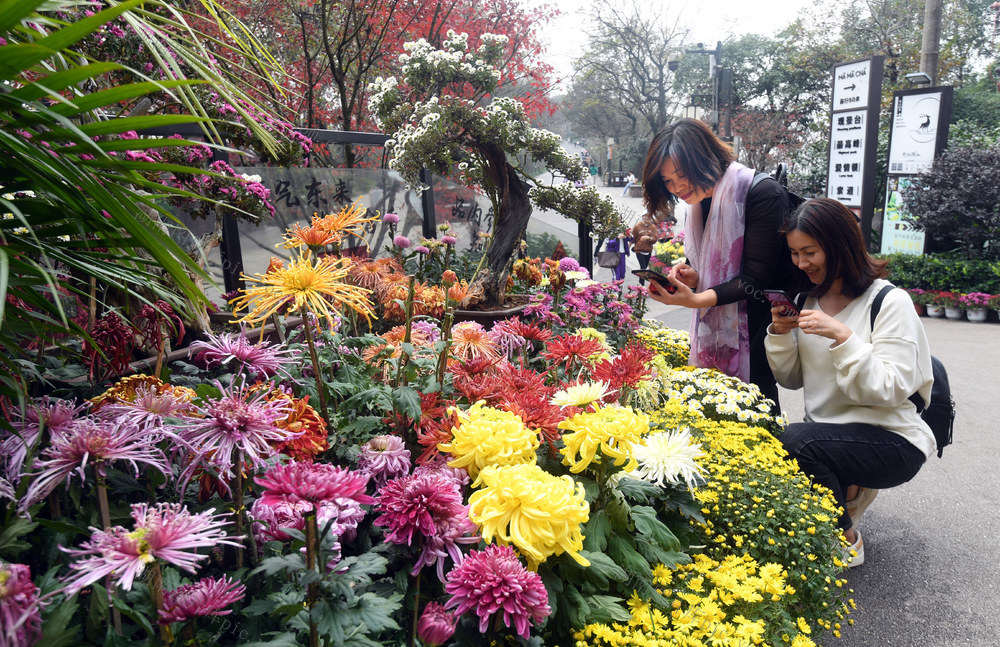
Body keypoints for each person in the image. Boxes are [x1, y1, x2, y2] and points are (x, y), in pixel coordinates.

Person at [765, 198, 935, 567]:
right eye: (794, 253)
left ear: (840, 244)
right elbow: (793, 379)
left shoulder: (889, 302)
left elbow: (890, 388)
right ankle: (847, 487)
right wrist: (780, 335)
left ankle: (846, 539)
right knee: (786, 441)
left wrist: (844, 338)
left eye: (809, 251)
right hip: (828, 437)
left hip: (892, 439)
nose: (801, 263)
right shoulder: (805, 299)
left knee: (795, 441)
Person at [640, 118, 797, 404]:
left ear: (704, 159)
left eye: (681, 174)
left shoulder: (763, 194)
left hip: (762, 319)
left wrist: (696, 300)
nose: (677, 187)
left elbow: (753, 281)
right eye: (668, 181)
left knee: (757, 398)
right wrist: (693, 277)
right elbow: (709, 267)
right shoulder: (700, 200)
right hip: (723, 319)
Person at [630, 208, 675, 284]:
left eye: (648, 216)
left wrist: (649, 238)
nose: (647, 218)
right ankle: (641, 285)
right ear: (642, 217)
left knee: (646, 267)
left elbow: (655, 239)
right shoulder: (638, 226)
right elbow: (633, 238)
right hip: (639, 249)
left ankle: (642, 285)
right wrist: (628, 248)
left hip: (648, 250)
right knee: (643, 267)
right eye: (645, 216)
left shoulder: (653, 227)